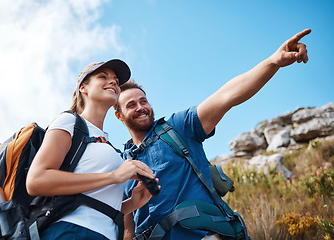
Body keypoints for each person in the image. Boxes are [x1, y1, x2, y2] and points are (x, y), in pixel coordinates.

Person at [114, 29, 311, 240]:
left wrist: (273, 62)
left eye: (143, 101)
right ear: (119, 115)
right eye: (131, 104)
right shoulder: (121, 166)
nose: (141, 107)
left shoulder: (177, 128)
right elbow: (128, 230)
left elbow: (226, 96)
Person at [26, 59, 158, 240]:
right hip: (70, 231)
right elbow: (36, 180)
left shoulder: (108, 145)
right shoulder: (70, 122)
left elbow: (92, 205)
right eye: (103, 76)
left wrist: (133, 203)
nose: (113, 82)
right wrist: (114, 176)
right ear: (83, 88)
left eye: (116, 81)